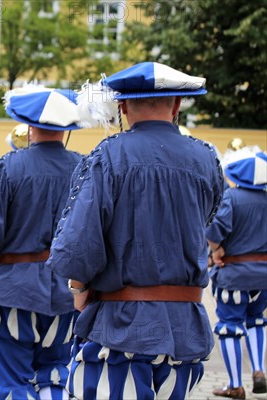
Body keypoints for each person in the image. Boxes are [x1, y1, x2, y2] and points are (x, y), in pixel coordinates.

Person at [47, 62, 224, 399]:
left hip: (121, 328)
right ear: (176, 106)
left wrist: (79, 287)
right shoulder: (206, 158)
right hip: (185, 330)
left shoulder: (108, 156)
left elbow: (75, 249)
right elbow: (207, 220)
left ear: (123, 107)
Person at [0, 87, 86, 399]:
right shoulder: (87, 169)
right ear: (68, 129)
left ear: (29, 126)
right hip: (66, 293)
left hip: (11, 290)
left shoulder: (8, 166)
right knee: (55, 377)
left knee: (13, 384)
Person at [206, 151, 267, 399]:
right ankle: (259, 370)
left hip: (234, 275)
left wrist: (217, 251)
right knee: (257, 321)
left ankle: (234, 384)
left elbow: (212, 230)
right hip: (263, 277)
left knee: (229, 327)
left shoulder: (231, 198)